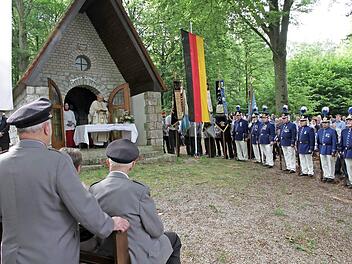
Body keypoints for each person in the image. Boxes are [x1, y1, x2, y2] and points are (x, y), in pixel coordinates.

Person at [0, 97, 129, 264]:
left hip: (11, 256)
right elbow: (82, 206)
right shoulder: (57, 161)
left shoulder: (2, 163)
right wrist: (109, 224)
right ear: (47, 128)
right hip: (52, 255)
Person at [89, 139, 182, 263]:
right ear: (133, 164)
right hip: (133, 256)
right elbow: (156, 230)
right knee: (173, 239)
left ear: (107, 163)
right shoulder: (139, 191)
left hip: (105, 251)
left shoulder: (94, 189)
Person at [316, 107, 338, 183]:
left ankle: (331, 176)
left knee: (330, 163)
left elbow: (334, 141)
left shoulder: (332, 131)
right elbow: (318, 141)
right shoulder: (320, 131)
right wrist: (318, 149)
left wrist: (333, 150)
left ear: (329, 123)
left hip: (329, 148)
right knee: (324, 163)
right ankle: (326, 175)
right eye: (323, 123)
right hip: (322, 148)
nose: (324, 124)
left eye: (326, 123)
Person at [297, 106, 315, 177]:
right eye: (301, 121)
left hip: (307, 145)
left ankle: (310, 171)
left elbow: (312, 139)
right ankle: (304, 171)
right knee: (302, 159)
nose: (301, 122)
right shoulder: (300, 129)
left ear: (306, 121)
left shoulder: (310, 129)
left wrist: (311, 148)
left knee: (308, 159)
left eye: (303, 121)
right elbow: (298, 138)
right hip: (301, 145)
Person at [278, 105, 297, 173]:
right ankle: (288, 166)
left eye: (284, 118)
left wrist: (292, 142)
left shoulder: (292, 125)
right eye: (283, 118)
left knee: (291, 155)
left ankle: (292, 167)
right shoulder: (282, 125)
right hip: (284, 142)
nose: (283, 120)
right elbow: (281, 134)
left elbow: (293, 134)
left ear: (288, 118)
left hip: (289, 142)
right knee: (285, 155)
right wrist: (279, 140)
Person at [340, 107, 352, 188]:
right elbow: (342, 142)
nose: (348, 122)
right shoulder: (344, 131)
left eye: (350, 120)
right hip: (347, 152)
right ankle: (351, 181)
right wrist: (341, 150)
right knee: (348, 167)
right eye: (347, 120)